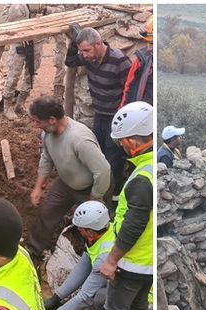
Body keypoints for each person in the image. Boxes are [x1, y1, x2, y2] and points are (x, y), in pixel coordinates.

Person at [86, 101, 153, 310]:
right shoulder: (151, 168)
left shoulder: (141, 180)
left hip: (132, 259)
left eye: (123, 141)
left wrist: (112, 260)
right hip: (147, 261)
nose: (122, 147)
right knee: (137, 305)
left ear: (134, 139)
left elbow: (133, 226)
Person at [26, 96, 111, 261]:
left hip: (93, 187)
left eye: (38, 121)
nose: (35, 126)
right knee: (47, 213)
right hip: (66, 184)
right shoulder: (47, 134)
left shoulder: (79, 139)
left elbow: (103, 170)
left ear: (52, 120)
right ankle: (33, 251)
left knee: (92, 226)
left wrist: (95, 197)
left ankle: (91, 259)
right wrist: (38, 187)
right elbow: (47, 158)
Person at [65, 26, 132, 206]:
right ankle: (99, 195)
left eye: (86, 50)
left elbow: (130, 91)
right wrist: (73, 42)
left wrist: (122, 121)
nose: (83, 55)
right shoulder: (89, 59)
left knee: (112, 162)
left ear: (98, 44)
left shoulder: (119, 61)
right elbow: (70, 62)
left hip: (115, 119)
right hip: (100, 117)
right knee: (98, 155)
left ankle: (111, 201)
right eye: (82, 51)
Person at [44, 201, 113, 310]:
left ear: (90, 232)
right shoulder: (102, 232)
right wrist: (56, 298)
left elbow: (86, 296)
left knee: (99, 298)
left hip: (139, 295)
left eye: (80, 229)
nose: (78, 231)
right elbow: (82, 268)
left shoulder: (105, 254)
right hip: (119, 281)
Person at [1, 4, 47, 121]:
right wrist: (21, 32)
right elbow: (8, 14)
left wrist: (45, 9)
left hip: (38, 37)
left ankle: (20, 103)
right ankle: (7, 107)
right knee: (14, 74)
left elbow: (57, 9)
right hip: (19, 38)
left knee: (31, 72)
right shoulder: (17, 7)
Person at [119, 16, 153, 107]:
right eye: (148, 43)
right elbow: (128, 89)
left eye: (153, 43)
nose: (149, 48)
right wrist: (123, 112)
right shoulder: (141, 61)